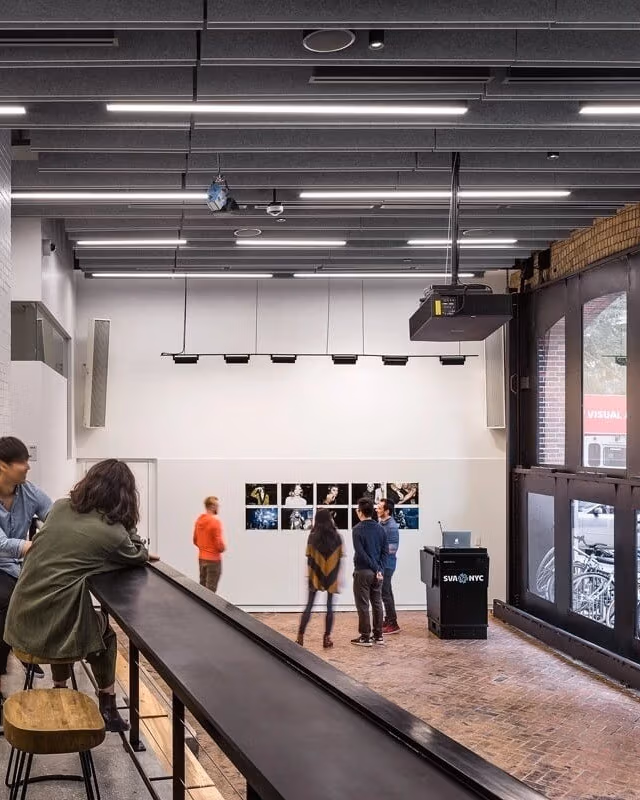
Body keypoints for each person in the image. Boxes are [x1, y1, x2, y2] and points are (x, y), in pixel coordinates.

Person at [4, 459, 155, 732]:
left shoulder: (60, 508)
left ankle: (59, 687)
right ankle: (107, 704)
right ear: (125, 496)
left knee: (70, 617)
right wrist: (126, 522)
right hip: (49, 636)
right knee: (104, 634)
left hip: (19, 625)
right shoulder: (112, 532)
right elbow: (139, 555)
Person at [0, 437, 52, 709]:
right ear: (3, 466)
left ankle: (22, 649)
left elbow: (55, 517)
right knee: (6, 601)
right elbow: (1, 546)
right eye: (22, 462)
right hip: (3, 568)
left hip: (17, 568)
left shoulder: (28, 492)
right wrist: (39, 545)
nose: (27, 467)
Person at [296, 509, 344, 649]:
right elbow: (339, 558)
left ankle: (300, 637)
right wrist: (337, 576)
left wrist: (311, 574)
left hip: (315, 574)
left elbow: (309, 556)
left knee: (309, 606)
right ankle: (327, 638)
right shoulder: (337, 536)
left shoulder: (312, 536)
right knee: (330, 608)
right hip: (332, 574)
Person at [351, 497, 386, 647]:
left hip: (363, 571)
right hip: (378, 574)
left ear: (360, 512)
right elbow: (385, 552)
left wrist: (375, 568)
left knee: (363, 605)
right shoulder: (381, 528)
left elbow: (361, 553)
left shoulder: (357, 529)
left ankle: (365, 637)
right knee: (377, 603)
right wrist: (380, 569)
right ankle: (378, 636)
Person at [377, 498, 401, 635]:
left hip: (387, 565)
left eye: (380, 508)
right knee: (386, 592)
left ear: (387, 511)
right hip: (383, 564)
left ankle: (393, 623)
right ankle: (390, 619)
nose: (377, 509)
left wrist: (377, 550)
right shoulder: (382, 523)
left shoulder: (391, 527)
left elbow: (393, 549)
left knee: (385, 593)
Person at [193, 496, 226, 593]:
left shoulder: (199, 520)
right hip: (213, 561)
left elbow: (195, 540)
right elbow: (219, 545)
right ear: (212, 506)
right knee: (211, 591)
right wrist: (223, 548)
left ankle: (200, 608)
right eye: (217, 506)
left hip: (201, 558)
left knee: (202, 588)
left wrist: (204, 549)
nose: (218, 508)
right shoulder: (215, 522)